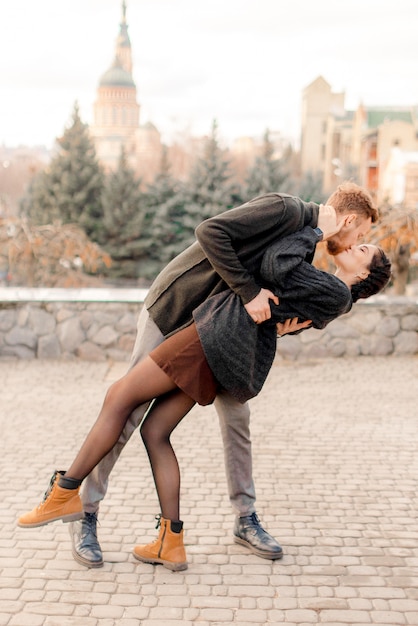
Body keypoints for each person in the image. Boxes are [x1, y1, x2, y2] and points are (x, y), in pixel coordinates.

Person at [17, 222, 392, 572]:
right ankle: (171, 540)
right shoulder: (331, 292)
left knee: (120, 396)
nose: (355, 243)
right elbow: (282, 308)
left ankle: (65, 492)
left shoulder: (336, 291)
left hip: (211, 338)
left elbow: (277, 263)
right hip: (226, 352)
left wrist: (314, 229)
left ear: (363, 275)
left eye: (363, 249)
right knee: (155, 433)